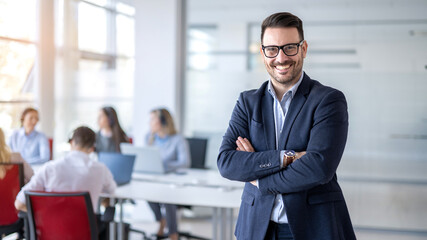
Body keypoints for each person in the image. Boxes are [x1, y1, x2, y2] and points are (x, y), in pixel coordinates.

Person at [217, 12, 356, 240]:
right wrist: (287, 157)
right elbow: (227, 163)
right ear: (263, 53)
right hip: (256, 228)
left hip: (313, 227)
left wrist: (258, 178)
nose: (281, 58)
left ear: (304, 48)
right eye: (272, 49)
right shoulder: (247, 102)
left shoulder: (328, 100)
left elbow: (318, 168)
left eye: (289, 47)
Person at [14, 126, 116, 239]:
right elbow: (112, 190)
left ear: (71, 142)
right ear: (92, 148)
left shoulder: (49, 168)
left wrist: (43, 213)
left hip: (51, 232)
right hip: (85, 233)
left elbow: (19, 203)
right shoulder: (101, 170)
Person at [146, 108, 191, 240]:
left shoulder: (178, 139)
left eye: (153, 119)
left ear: (163, 121)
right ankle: (161, 220)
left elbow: (185, 162)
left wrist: (164, 165)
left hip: (173, 181)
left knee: (167, 197)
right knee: (143, 191)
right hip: (155, 179)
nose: (150, 123)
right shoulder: (149, 138)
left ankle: (173, 234)